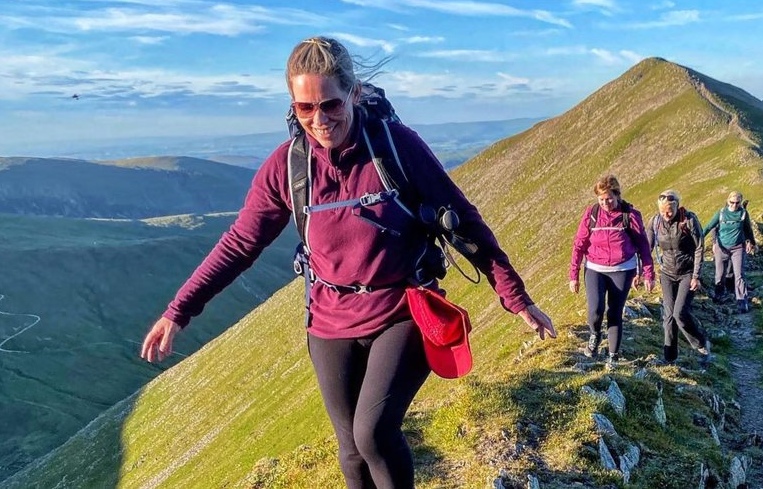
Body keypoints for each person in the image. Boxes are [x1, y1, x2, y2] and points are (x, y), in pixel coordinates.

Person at [139, 36, 557, 489]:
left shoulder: (395, 148)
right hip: (329, 321)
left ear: (354, 94)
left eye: (331, 105)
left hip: (403, 310)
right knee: (351, 451)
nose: (319, 120)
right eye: (304, 108)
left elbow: (464, 223)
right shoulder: (289, 167)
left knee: (373, 433)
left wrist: (515, 297)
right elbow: (241, 243)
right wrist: (177, 312)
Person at [569, 175, 655, 369]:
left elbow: (643, 246)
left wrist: (648, 274)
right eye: (601, 199)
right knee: (596, 310)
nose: (606, 203)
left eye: (609, 198)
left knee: (615, 313)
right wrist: (573, 275)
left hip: (622, 269)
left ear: (617, 195)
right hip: (595, 268)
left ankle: (613, 357)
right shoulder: (591, 214)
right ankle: (595, 335)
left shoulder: (630, 215)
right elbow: (579, 245)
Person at [646, 190, 711, 365]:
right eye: (662, 211)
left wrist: (696, 276)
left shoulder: (688, 220)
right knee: (668, 317)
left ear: (676, 207)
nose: (666, 215)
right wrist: (644, 273)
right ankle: (670, 358)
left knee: (679, 313)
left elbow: (699, 247)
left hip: (687, 273)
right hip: (667, 273)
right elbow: (647, 248)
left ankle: (701, 344)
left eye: (669, 211)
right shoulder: (655, 222)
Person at [703, 190, 757, 313]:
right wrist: (699, 239)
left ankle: (742, 301)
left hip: (738, 247)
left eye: (737, 203)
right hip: (721, 247)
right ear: (728, 201)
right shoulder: (721, 213)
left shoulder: (743, 214)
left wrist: (751, 242)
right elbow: (709, 227)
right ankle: (719, 295)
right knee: (720, 274)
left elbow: (748, 229)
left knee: (739, 274)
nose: (734, 205)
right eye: (732, 202)